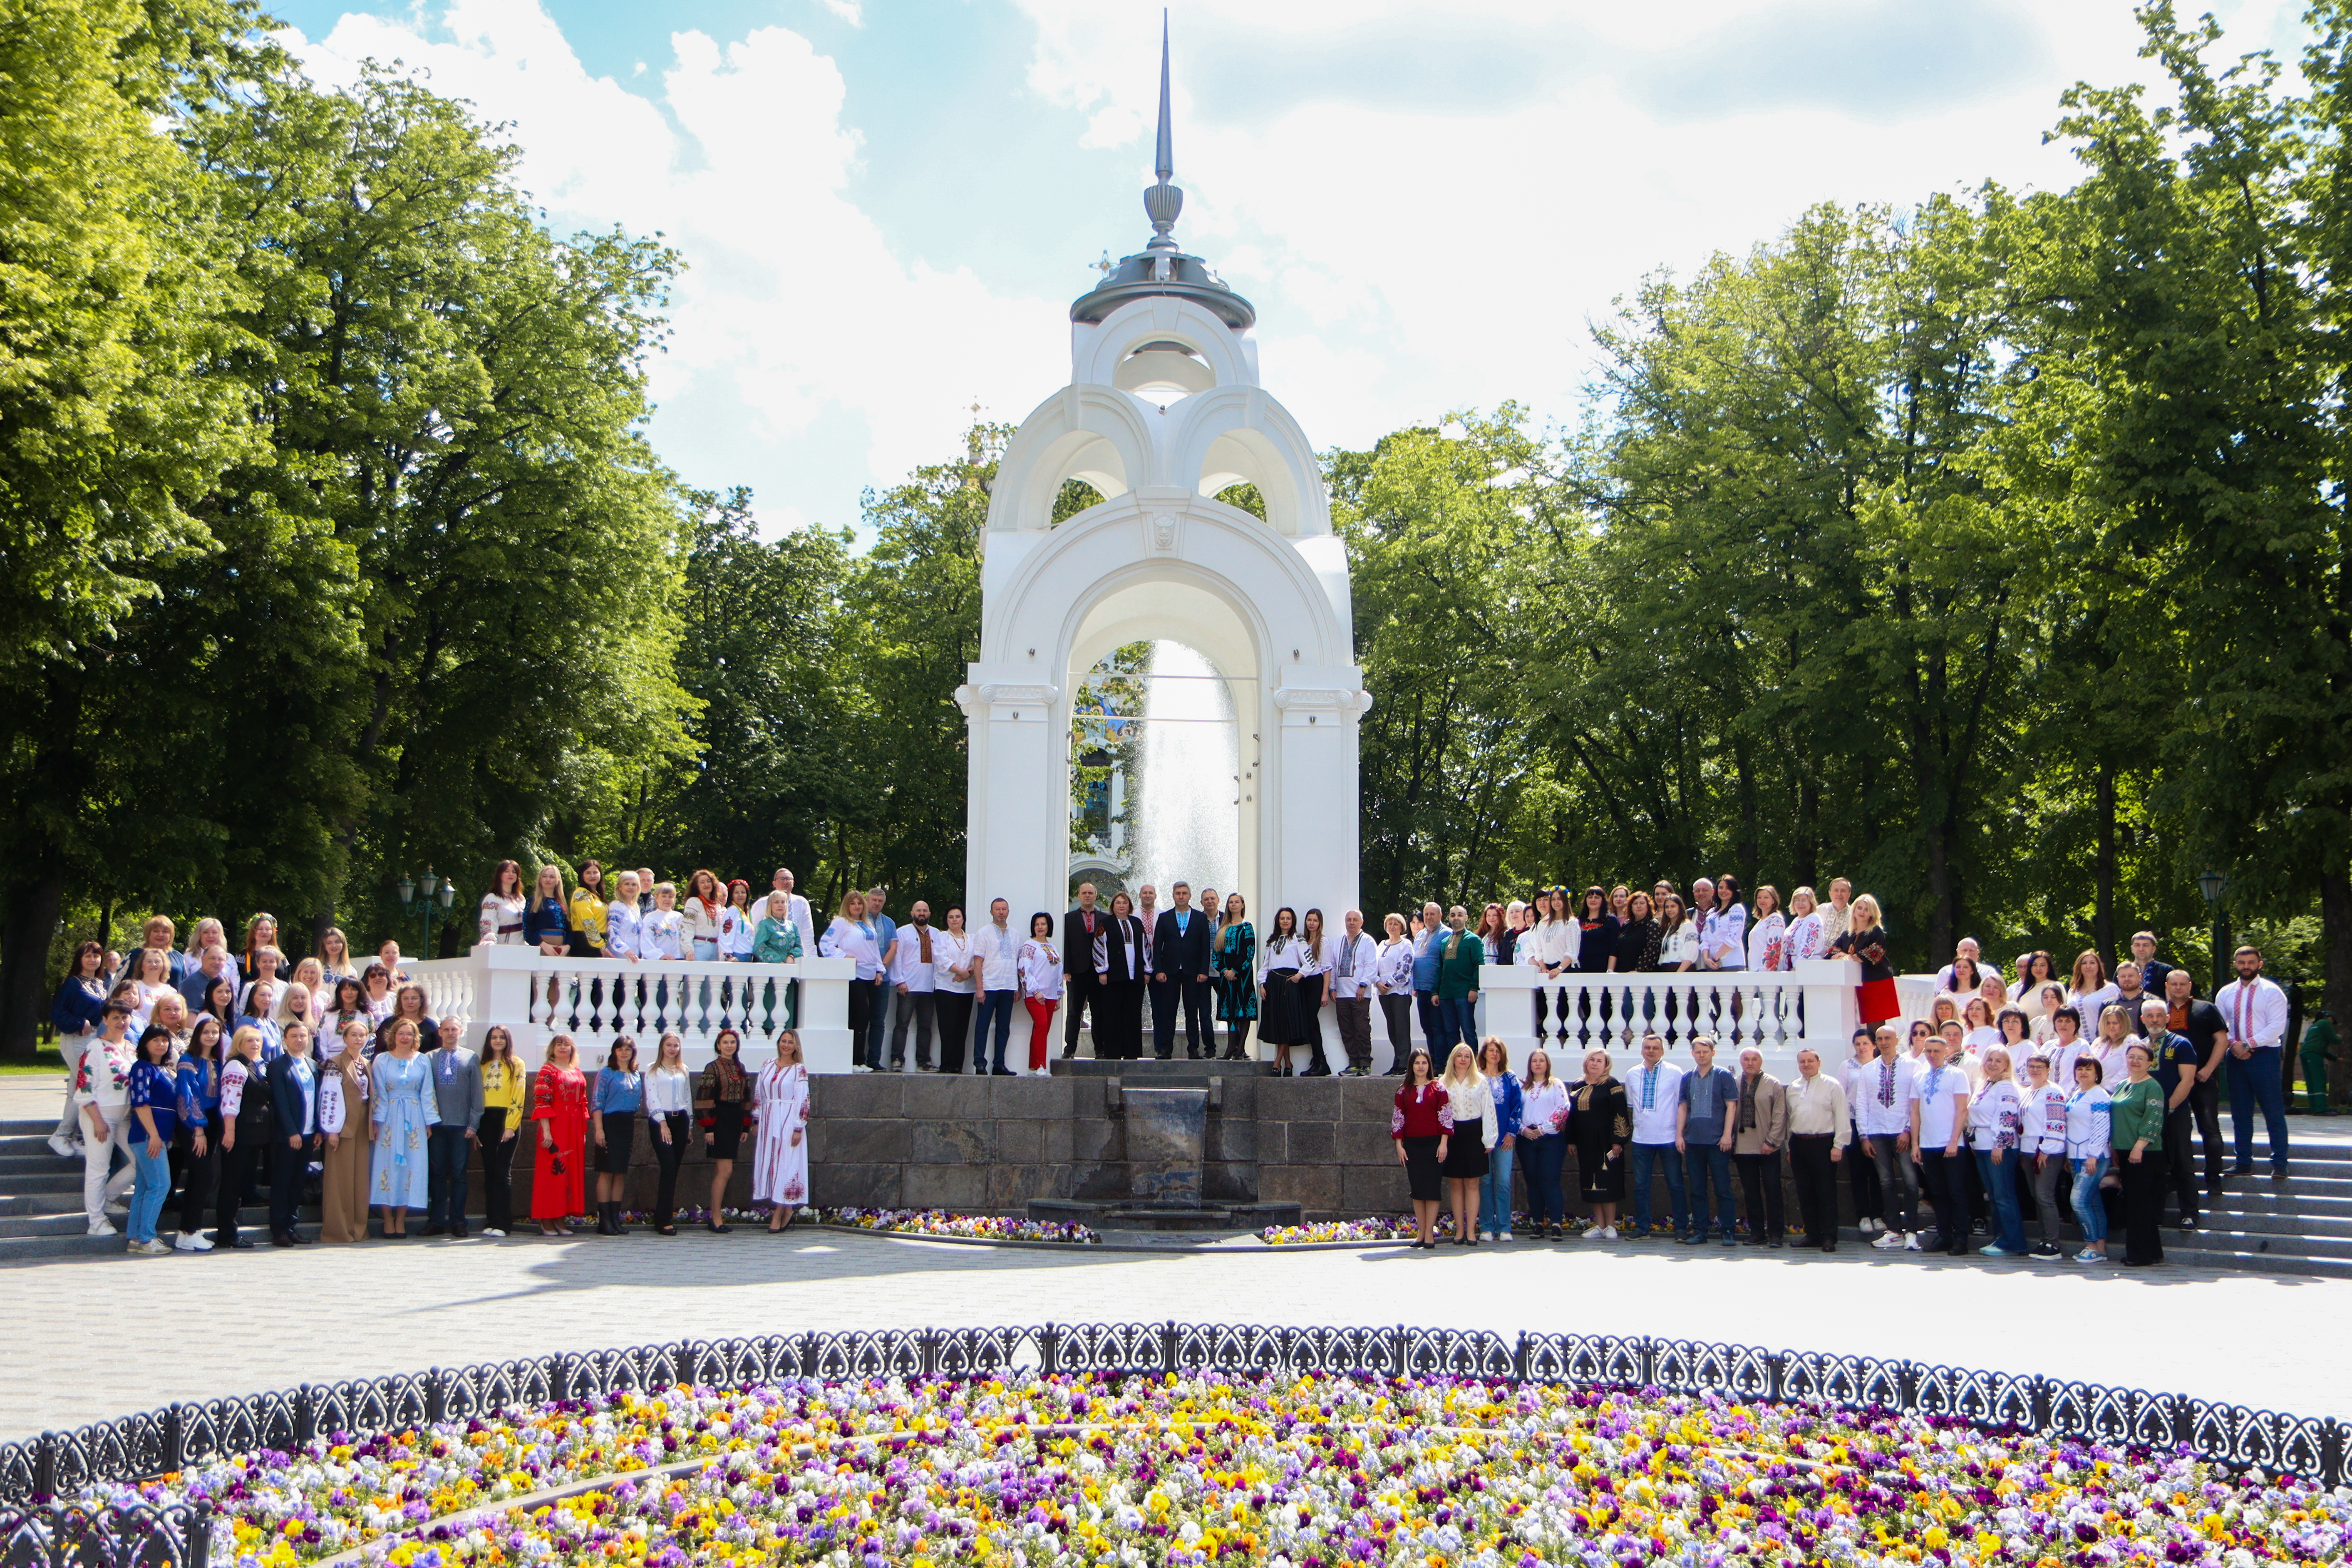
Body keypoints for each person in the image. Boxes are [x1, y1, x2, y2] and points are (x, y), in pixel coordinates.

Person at [2214, 945, 2291, 1179]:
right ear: (2235, 964)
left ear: (2260, 964)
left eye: (2250, 962)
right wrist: (2235, 1044)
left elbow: (2277, 1027)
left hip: (2265, 1055)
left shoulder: (2272, 992)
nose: (2246, 966)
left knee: (2273, 1111)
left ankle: (2279, 1163)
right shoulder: (2225, 993)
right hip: (2235, 1056)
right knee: (2240, 1113)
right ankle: (2243, 1162)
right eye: (2241, 962)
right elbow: (2220, 1024)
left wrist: (2248, 1044)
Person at [2134, 997, 2202, 1231]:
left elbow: (2188, 1080)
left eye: (2159, 1015)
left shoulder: (2181, 1044)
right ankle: (2155, 1215)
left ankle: (2190, 1214)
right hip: (2146, 1118)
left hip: (2176, 1113)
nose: (2155, 1020)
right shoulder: (2139, 1048)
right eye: (2150, 1016)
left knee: (2183, 1162)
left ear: (2168, 1018)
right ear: (2143, 1020)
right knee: (2154, 1167)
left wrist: (2167, 1109)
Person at [73, 1000, 138, 1236]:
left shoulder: (132, 1048)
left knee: (140, 1161)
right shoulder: (95, 1048)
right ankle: (96, 1221)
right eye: (116, 1018)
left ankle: (108, 1198)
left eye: (125, 1017)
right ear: (105, 1020)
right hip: (98, 1115)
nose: (121, 1022)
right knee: (98, 1167)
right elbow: (84, 1087)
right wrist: (98, 1120)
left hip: (125, 1115)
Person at [366, 1018, 435, 1237]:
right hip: (389, 1117)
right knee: (386, 1165)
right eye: (401, 1033)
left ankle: (401, 1219)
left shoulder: (422, 1061)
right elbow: (378, 1093)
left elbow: (427, 1092)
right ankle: (387, 1219)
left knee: (411, 1166)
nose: (405, 1038)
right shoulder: (382, 1060)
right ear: (393, 1036)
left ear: (416, 1038)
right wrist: (377, 1122)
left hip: (414, 1118)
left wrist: (428, 1121)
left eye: (410, 1034)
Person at [1857, 1025, 1922, 1250]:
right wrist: (1864, 1136)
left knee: (1911, 1181)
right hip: (1876, 1132)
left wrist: (1907, 1130)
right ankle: (1894, 1230)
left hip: (1902, 1131)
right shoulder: (1868, 1070)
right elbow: (1862, 1104)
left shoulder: (1913, 1066)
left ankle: (1912, 1231)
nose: (1884, 1042)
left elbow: (1915, 1101)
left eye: (1888, 1038)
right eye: (1880, 1039)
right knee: (1886, 1182)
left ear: (1897, 1040)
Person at [1908, 1035, 1971, 1257]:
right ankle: (1944, 1236)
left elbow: (1962, 1109)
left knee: (1956, 1192)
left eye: (1937, 1051)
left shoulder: (1957, 1075)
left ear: (1946, 1052)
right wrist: (1916, 1144)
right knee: (1938, 1193)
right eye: (1929, 1051)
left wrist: (1954, 1140)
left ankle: (1961, 1239)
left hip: (1951, 1143)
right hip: (1928, 1143)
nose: (1933, 1055)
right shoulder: (1919, 1077)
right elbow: (1915, 1112)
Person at [48, 940, 109, 1159]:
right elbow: (57, 1013)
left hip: (94, 1039)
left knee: (76, 1090)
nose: (93, 960)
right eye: (88, 956)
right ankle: (62, 1135)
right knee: (86, 1087)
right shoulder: (73, 984)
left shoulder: (101, 984)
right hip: (75, 1039)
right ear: (80, 960)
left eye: (97, 956)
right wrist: (78, 1022)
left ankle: (71, 1136)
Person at [122, 1027, 180, 1255]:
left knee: (145, 1187)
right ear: (145, 1043)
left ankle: (136, 1238)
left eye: (164, 1040)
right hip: (148, 1137)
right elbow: (141, 1103)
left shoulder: (163, 1069)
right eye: (155, 1040)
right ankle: (147, 1238)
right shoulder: (142, 1068)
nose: (160, 1044)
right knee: (161, 1186)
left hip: (158, 1137)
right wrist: (154, 1135)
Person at [1624, 1034, 1687, 1241]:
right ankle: (1643, 1227)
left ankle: (1681, 1228)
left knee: (1676, 1185)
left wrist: (1679, 1134)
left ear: (1663, 1051)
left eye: (1655, 1048)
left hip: (1669, 1138)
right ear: (1642, 1050)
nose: (1651, 1051)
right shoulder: (1632, 1074)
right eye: (1647, 1047)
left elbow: (1682, 1105)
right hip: (1641, 1139)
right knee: (1641, 1186)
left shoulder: (1674, 1072)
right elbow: (1632, 1106)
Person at [1784, 1048, 1848, 1251]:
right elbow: (1789, 1119)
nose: (1806, 1065)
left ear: (1819, 1062)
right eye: (1802, 1062)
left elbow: (1842, 1116)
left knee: (1826, 1192)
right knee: (1805, 1192)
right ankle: (1812, 1234)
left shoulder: (1832, 1085)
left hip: (1824, 1143)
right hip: (1799, 1144)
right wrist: (1788, 1148)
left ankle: (1829, 1236)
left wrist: (1839, 1145)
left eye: (1810, 1061)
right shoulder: (1793, 1087)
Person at [213, 1025, 271, 1249]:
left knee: (241, 1183)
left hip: (254, 1135)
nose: (255, 1045)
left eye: (258, 1041)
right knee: (232, 1184)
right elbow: (230, 1101)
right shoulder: (236, 1066)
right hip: (239, 1134)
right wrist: (230, 1132)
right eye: (250, 1041)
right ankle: (227, 1234)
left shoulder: (256, 1065)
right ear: (239, 1043)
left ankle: (231, 1232)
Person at [169, 1016, 224, 1251]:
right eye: (207, 1032)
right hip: (193, 1122)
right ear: (198, 1034)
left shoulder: (217, 1061)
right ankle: (191, 1230)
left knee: (197, 1177)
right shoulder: (187, 1060)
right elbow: (187, 1094)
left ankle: (187, 1233)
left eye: (215, 1032)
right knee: (203, 1175)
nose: (211, 1036)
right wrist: (199, 1127)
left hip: (212, 1122)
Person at [315, 1018, 373, 1243]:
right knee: (339, 1180)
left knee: (359, 1180)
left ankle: (358, 1228)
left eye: (362, 1035)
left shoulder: (367, 1063)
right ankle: (338, 1230)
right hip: (341, 1126)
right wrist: (332, 1130)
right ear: (345, 1038)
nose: (359, 1039)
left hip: (362, 1125)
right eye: (354, 1035)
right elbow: (329, 1098)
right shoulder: (335, 1062)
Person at [2110, 1042, 2167, 1266]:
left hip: (2144, 1152)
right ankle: (2153, 1252)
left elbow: (2154, 1119)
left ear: (2150, 1064)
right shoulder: (2122, 1085)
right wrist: (2116, 1147)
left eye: (2141, 1058)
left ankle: (2140, 1255)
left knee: (2138, 1203)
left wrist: (2139, 1146)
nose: (2135, 1061)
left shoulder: (2153, 1087)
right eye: (2131, 1056)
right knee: (2137, 1202)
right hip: (2124, 1150)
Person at [1967, 1045, 2026, 1258]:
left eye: (1999, 1061)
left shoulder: (2006, 1086)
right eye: (1990, 1059)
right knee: (1994, 1196)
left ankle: (2013, 1242)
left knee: (2004, 1196)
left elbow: (2008, 1117)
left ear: (2007, 1065)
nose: (1993, 1064)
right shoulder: (1986, 1084)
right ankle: (2001, 1238)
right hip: (1982, 1147)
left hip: (1999, 1149)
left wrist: (1999, 1145)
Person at [1679, 1036, 1739, 1246]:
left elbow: (1731, 1106)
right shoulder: (1687, 1077)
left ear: (1713, 1053)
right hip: (1693, 1142)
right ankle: (1700, 1231)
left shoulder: (1724, 1076)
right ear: (1693, 1054)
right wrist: (1680, 1135)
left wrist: (1726, 1135)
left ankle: (1728, 1231)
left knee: (1723, 1188)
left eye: (1706, 1052)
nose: (1702, 1055)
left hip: (1717, 1142)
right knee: (1697, 1190)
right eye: (1698, 1052)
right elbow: (1683, 1107)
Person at [423, 1022, 481, 1237]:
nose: (450, 1033)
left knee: (459, 1175)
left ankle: (459, 1221)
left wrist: (474, 1124)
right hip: (436, 1126)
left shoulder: (471, 1057)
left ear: (461, 1032)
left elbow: (477, 1093)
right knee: (437, 1174)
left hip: (461, 1127)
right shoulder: (429, 1058)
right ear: (439, 1032)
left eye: (454, 1029)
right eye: (446, 1030)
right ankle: (436, 1221)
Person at [265, 1020, 320, 1246]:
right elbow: (280, 1102)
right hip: (289, 1136)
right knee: (283, 1182)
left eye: (303, 1036)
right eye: (294, 1036)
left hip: (309, 1134)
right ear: (285, 1040)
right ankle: (279, 1230)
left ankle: (291, 1226)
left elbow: (317, 1100)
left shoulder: (313, 1065)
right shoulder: (278, 1065)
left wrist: (317, 1130)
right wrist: (292, 1132)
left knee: (298, 1182)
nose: (299, 1040)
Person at [530, 1034, 590, 1237]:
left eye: (567, 1044)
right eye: (559, 1044)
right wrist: (546, 1130)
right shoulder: (547, 1070)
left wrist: (582, 1131)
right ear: (553, 1048)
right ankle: (546, 1221)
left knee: (570, 1172)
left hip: (574, 1127)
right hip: (556, 1125)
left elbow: (583, 1103)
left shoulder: (577, 1072)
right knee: (552, 1173)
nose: (563, 1048)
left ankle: (561, 1219)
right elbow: (541, 1101)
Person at [1391, 1047, 1451, 1248]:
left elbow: (1445, 1117)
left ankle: (1430, 1234)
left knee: (1432, 1189)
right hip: (1412, 1146)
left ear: (1429, 1066)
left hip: (1434, 1144)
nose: (1421, 1067)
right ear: (1412, 1066)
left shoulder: (1439, 1089)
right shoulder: (1403, 1090)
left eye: (1424, 1063)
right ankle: (1421, 1233)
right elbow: (1398, 1119)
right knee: (1417, 1189)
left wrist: (1444, 1143)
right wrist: (1400, 1146)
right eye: (1417, 1063)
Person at [1729, 1045, 1788, 1247]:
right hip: (1743, 1147)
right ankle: (1757, 1233)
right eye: (1746, 1059)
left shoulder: (1773, 1084)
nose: (1750, 1063)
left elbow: (1780, 1115)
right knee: (1751, 1192)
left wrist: (1772, 1141)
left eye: (1755, 1059)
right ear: (1741, 1063)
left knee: (1772, 1189)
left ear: (1761, 1062)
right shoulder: (1735, 1083)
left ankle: (1776, 1234)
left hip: (1768, 1146)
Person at [1438, 1043, 1496, 1246]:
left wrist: (1489, 1138)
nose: (1463, 1060)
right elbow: (1440, 1113)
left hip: (1474, 1134)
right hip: (1453, 1134)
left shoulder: (1480, 1081)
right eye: (1459, 1056)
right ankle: (1459, 1230)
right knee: (1456, 1183)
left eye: (1467, 1056)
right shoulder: (1443, 1082)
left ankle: (1471, 1230)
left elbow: (1489, 1110)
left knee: (1473, 1184)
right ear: (1453, 1059)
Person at [752, 1030, 811, 1231]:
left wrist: (798, 1127)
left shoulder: (799, 1070)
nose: (786, 1045)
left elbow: (804, 1098)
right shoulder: (768, 1065)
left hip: (788, 1119)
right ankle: (786, 1208)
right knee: (772, 1163)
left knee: (786, 1163)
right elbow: (759, 1092)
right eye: (783, 1041)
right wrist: (757, 1119)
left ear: (796, 1046)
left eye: (790, 1042)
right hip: (769, 1119)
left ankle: (780, 1211)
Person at [1569, 1049, 1630, 1239]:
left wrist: (1617, 1141)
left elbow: (1620, 1113)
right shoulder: (1578, 1085)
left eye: (1599, 1061)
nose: (1595, 1064)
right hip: (1585, 1144)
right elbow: (1571, 1115)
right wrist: (1570, 1140)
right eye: (1592, 1060)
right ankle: (1600, 1225)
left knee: (1608, 1181)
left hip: (1606, 1144)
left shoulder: (1611, 1085)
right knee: (1591, 1183)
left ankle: (1611, 1225)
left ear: (1606, 1065)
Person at [1153, 882, 1218, 1062]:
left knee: (1192, 1012)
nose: (1181, 896)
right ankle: (1166, 1049)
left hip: (1193, 972)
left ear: (1190, 896)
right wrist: (1159, 970)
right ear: (1173, 896)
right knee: (1169, 1012)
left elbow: (1206, 947)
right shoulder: (1165, 918)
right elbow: (1157, 946)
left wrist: (1203, 970)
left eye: (1184, 893)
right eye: (1178, 893)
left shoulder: (1199, 918)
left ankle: (1193, 1049)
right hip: (1170, 972)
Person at [819, 892, 882, 1069]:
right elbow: (825, 944)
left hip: (871, 976)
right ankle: (854, 1060)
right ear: (847, 906)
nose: (857, 907)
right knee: (859, 1016)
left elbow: (875, 949)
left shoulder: (868, 925)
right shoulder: (841, 923)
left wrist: (880, 969)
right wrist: (843, 956)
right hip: (855, 976)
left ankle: (861, 1060)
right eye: (853, 904)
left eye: (860, 904)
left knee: (867, 1019)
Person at [2015, 1052, 2068, 1258]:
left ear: (2048, 1070)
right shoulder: (2027, 1092)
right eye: (2031, 1066)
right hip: (2027, 1151)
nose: (2035, 1070)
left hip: (2046, 1151)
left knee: (2045, 1196)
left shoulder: (2054, 1091)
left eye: (2040, 1066)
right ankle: (2044, 1240)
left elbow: (2057, 1123)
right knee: (2036, 1197)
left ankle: (2053, 1245)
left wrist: (2047, 1149)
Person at [2065, 1054, 2114, 1263]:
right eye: (2080, 1069)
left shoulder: (2099, 1095)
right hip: (2076, 1157)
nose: (2083, 1073)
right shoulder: (2078, 1094)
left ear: (2097, 1073)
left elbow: (2102, 1128)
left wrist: (2094, 1155)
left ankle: (2091, 1245)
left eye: (2089, 1069)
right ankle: (2101, 1250)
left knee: (2078, 1201)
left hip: (2093, 1158)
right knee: (2093, 1203)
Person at [591, 1036, 643, 1235]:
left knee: (621, 1171)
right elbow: (597, 1102)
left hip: (627, 1124)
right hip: (609, 1123)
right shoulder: (606, 1073)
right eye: (620, 1049)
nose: (624, 1053)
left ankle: (615, 1218)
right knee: (607, 1171)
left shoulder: (636, 1074)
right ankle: (604, 1220)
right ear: (614, 1051)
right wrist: (600, 1130)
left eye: (628, 1049)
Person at [477, 1025, 524, 1238]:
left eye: (501, 1037)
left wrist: (510, 1126)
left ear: (508, 1040)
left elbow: (518, 1095)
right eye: (494, 1037)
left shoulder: (517, 1064)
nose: (497, 1041)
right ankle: (492, 1220)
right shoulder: (482, 1064)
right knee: (490, 1172)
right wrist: (475, 1127)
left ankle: (504, 1223)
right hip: (486, 1120)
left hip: (506, 1120)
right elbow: (476, 1097)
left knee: (502, 1172)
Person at [1516, 1047, 1569, 1238]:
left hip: (1550, 1139)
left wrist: (1544, 1129)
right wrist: (1523, 1130)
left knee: (1550, 1181)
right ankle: (1538, 1223)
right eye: (1534, 1061)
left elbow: (1564, 1108)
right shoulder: (1522, 1087)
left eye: (1542, 1061)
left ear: (1547, 1064)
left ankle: (1556, 1223)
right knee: (1532, 1181)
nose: (1538, 1064)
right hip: (1526, 1139)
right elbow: (1515, 1111)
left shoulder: (1555, 1085)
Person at [699, 1027, 748, 1230]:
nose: (730, 1046)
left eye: (733, 1043)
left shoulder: (740, 1067)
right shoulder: (712, 1068)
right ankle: (715, 1216)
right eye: (726, 1042)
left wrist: (746, 1126)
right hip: (720, 1120)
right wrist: (708, 1128)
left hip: (735, 1119)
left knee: (727, 1170)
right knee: (725, 1170)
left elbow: (747, 1098)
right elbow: (704, 1099)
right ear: (719, 1045)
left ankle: (717, 1215)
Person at [1475, 1036, 1522, 1241]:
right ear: (1484, 1053)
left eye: (1498, 1051)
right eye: (1491, 1050)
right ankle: (1486, 1226)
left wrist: (1512, 1133)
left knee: (1503, 1182)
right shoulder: (1476, 1078)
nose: (1494, 1054)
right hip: (1482, 1139)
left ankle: (1504, 1227)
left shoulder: (1510, 1078)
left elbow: (1517, 1105)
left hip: (1505, 1139)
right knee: (1485, 1182)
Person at [886, 900, 942, 1071]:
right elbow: (897, 958)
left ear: (930, 913)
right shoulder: (902, 933)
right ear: (912, 913)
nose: (922, 913)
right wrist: (900, 981)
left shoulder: (937, 934)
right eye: (919, 910)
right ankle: (897, 1059)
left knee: (926, 1027)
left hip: (929, 988)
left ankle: (924, 1062)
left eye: (925, 910)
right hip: (908, 987)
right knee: (902, 1025)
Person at [1092, 891, 1147, 1062]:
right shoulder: (1105, 923)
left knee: (1133, 1013)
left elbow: (1145, 947)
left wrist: (1148, 970)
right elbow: (1099, 946)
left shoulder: (1137, 923)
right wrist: (1102, 971)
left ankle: (1132, 1052)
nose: (1121, 906)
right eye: (1118, 903)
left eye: (1125, 903)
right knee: (1113, 1013)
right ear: (1113, 906)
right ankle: (1113, 1052)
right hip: (1114, 976)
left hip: (1135, 976)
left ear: (1130, 906)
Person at [1256, 907, 1312, 1074]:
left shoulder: (1298, 939)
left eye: (1288, 918)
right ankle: (1288, 1064)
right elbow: (1266, 964)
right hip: (1273, 984)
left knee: (1287, 1023)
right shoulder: (1272, 940)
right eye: (1282, 918)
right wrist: (1261, 984)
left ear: (1293, 921)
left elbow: (1309, 962)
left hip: (1290, 984)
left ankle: (1277, 1063)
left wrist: (1298, 976)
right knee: (1279, 1023)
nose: (1285, 921)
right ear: (1278, 921)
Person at [1831, 895, 1899, 1028]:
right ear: (1854, 910)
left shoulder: (1876, 932)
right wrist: (1840, 955)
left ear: (1872, 913)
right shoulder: (1847, 935)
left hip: (1876, 983)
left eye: (1867, 909)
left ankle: (1878, 1050)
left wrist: (1849, 956)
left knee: (1876, 1024)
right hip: (1857, 984)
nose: (1862, 912)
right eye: (1860, 908)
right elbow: (1831, 952)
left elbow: (1875, 954)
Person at [971, 898, 1020, 1077]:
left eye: (1004, 909)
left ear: (1008, 911)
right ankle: (980, 1064)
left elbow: (1017, 962)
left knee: (1003, 1028)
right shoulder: (983, 933)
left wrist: (1018, 987)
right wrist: (979, 988)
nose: (1001, 912)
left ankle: (999, 1064)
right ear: (991, 912)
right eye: (997, 909)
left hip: (1008, 986)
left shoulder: (1015, 934)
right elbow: (978, 962)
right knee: (983, 1027)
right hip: (989, 986)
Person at [1524, 890, 1580, 1046]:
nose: (1556, 903)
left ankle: (1564, 1041)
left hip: (1565, 969)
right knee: (1546, 1007)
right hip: (1547, 970)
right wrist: (1543, 967)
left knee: (1563, 1007)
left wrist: (1560, 968)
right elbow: (1539, 949)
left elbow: (1572, 951)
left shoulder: (1571, 923)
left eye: (1559, 899)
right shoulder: (1543, 923)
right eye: (1553, 899)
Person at [1330, 909, 1380, 1076]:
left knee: (1362, 1029)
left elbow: (1371, 966)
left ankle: (1365, 1063)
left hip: (1360, 993)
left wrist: (1364, 984)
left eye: (1355, 920)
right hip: (1341, 994)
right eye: (1349, 920)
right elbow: (1333, 966)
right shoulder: (1339, 941)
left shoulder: (1368, 941)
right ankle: (1354, 1063)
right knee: (1346, 1029)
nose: (1351, 923)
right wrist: (1332, 987)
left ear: (1361, 922)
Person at [1060, 883, 1107, 1061]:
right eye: (1084, 893)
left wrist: (1106, 970)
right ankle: (1070, 1048)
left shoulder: (1104, 918)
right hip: (1077, 972)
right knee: (1074, 1011)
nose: (1087, 896)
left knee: (1098, 1012)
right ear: (1079, 896)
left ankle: (1099, 1049)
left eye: (1090, 893)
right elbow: (1066, 944)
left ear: (1095, 895)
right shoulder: (1069, 919)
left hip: (1098, 972)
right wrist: (1067, 969)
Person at [1433, 906, 1484, 1058]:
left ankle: (1473, 1064)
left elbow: (1479, 965)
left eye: (1460, 915)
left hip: (1464, 992)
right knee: (1451, 1032)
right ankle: (1455, 1066)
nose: (1456, 918)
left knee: (1468, 1030)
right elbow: (1439, 968)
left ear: (1466, 918)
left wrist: (1474, 988)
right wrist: (1435, 992)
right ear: (1448, 918)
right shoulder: (1444, 942)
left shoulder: (1474, 940)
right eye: (1453, 915)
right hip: (1446, 993)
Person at [1215, 893, 1259, 1062]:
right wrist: (1225, 970)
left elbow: (1249, 953)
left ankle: (1241, 1047)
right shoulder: (1223, 928)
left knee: (1244, 1011)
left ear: (1242, 905)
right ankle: (1230, 1046)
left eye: (1237, 902)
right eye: (1231, 902)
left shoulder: (1247, 927)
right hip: (1226, 977)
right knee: (1230, 1011)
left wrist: (1235, 970)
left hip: (1243, 976)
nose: (1234, 905)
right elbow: (1216, 954)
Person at [933, 906, 977, 1076]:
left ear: (963, 919)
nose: (954, 920)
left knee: (962, 1028)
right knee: (948, 1028)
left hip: (967, 989)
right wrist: (961, 972)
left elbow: (979, 958)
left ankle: (958, 1065)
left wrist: (969, 973)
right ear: (947, 920)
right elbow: (941, 959)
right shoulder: (942, 937)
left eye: (958, 917)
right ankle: (947, 1065)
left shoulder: (972, 939)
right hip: (946, 988)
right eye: (951, 917)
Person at [1017, 914, 1062, 1074]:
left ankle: (1035, 1066)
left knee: (1044, 1029)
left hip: (1051, 996)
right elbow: (1024, 969)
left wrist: (1058, 995)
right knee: (1041, 1025)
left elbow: (1058, 972)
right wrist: (1035, 991)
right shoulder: (1029, 946)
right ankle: (1040, 1065)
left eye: (1043, 924)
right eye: (1037, 924)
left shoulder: (1053, 947)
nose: (1040, 927)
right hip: (1035, 995)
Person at [1372, 913, 1416, 1074]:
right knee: (1392, 1028)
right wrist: (1378, 982)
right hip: (1384, 992)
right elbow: (1373, 966)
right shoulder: (1382, 945)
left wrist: (1389, 983)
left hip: (1399, 991)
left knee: (1402, 1028)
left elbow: (1405, 968)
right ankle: (1397, 1061)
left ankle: (1404, 1064)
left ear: (1402, 927)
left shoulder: (1405, 945)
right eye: (1389, 923)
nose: (1392, 926)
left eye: (1396, 924)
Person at [1410, 901, 1449, 1061]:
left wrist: (1438, 990)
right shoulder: (1420, 935)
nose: (1428, 917)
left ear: (1440, 916)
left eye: (1432, 914)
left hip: (1436, 991)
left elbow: (1446, 964)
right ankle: (1432, 1061)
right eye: (1426, 914)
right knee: (1427, 1028)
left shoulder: (1447, 934)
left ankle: (1440, 1063)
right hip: (1421, 990)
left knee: (1438, 1028)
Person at [523, 864, 571, 955]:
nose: (548, 880)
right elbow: (527, 928)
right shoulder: (534, 901)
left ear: (558, 880)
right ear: (540, 879)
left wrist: (568, 946)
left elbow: (569, 929)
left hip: (561, 949)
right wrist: (542, 945)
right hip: (541, 947)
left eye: (552, 877)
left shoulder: (562, 903)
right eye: (545, 876)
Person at [682, 868, 727, 961]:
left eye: (709, 881)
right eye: (702, 882)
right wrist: (688, 949)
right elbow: (688, 927)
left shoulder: (717, 905)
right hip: (700, 946)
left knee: (715, 976)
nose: (706, 885)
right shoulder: (694, 902)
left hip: (716, 947)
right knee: (697, 975)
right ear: (697, 886)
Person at [2301, 1005, 2339, 1113]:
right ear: (2330, 1018)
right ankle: (2322, 1109)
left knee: (2311, 1081)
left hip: (2305, 1053)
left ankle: (2314, 1108)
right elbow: (2334, 1039)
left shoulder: (2313, 1027)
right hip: (2314, 1055)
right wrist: (2339, 1038)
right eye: (2333, 1021)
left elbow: (2322, 1049)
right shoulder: (2326, 1023)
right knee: (2319, 1080)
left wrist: (2335, 1059)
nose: (2332, 1024)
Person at [479, 860, 526, 946]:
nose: (511, 874)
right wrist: (490, 940)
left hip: (522, 945)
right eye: (507, 871)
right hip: (504, 944)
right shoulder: (492, 899)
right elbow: (488, 921)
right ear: (500, 875)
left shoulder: (520, 899)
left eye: (514, 872)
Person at [569, 861, 610, 957]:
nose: (592, 876)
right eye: (588, 873)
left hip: (597, 941)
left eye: (595, 872)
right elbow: (587, 921)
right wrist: (601, 946)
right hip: (585, 943)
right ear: (582, 876)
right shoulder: (581, 894)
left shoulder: (597, 896)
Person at [605, 871, 645, 962]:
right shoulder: (618, 906)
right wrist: (626, 950)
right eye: (627, 884)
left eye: (634, 885)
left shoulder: (635, 908)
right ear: (620, 887)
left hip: (635, 956)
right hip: (619, 955)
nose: (631, 887)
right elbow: (612, 933)